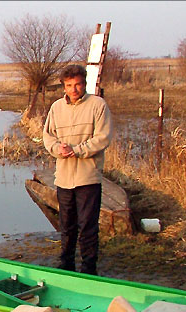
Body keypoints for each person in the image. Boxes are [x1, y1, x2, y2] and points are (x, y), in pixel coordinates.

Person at [42, 64, 113, 275]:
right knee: (67, 226)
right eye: (69, 85)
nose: (74, 89)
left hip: (88, 177)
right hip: (63, 178)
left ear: (85, 83)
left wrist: (78, 150)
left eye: (78, 84)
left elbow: (103, 138)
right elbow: (48, 136)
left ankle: (89, 271)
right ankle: (66, 266)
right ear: (64, 86)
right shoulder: (56, 108)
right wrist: (58, 148)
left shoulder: (98, 105)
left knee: (88, 228)